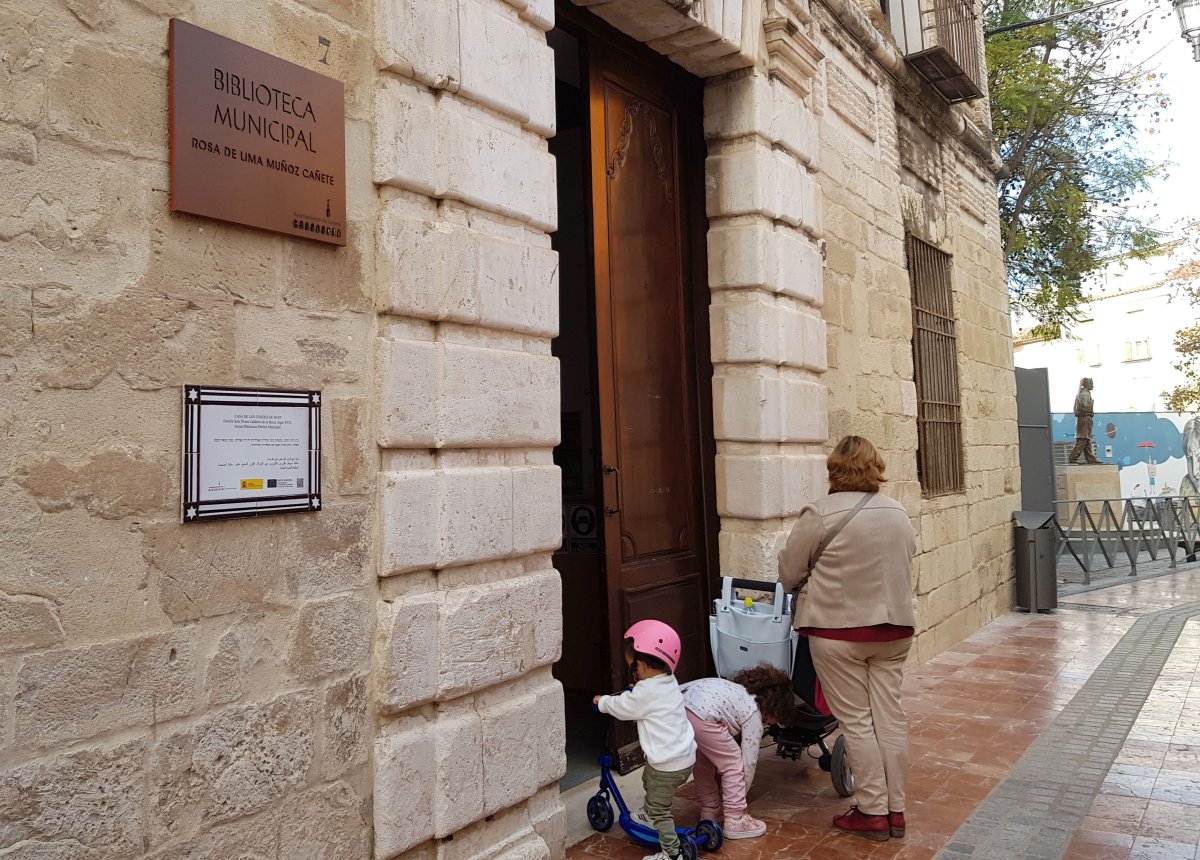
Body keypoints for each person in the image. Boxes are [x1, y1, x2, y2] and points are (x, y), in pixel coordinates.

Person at [777, 435, 917, 842]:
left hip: (838, 633)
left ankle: (872, 812)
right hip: (894, 631)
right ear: (878, 466)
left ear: (833, 469)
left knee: (857, 722)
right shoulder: (898, 513)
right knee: (890, 718)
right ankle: (896, 810)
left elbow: (789, 572)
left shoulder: (819, 514)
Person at [594, 620, 696, 860]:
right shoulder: (668, 682)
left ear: (643, 666)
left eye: (634, 669)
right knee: (648, 779)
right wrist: (637, 691)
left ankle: (671, 854)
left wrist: (603, 702)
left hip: (667, 765)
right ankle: (649, 814)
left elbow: (624, 707)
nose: (634, 674)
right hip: (683, 759)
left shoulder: (645, 692)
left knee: (661, 809)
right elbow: (645, 699)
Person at [679, 664, 794, 839]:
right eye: (774, 720)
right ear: (773, 709)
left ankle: (710, 810)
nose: (771, 724)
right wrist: (737, 799)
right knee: (733, 764)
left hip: (681, 710)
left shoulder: (736, 690)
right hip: (705, 716)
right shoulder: (753, 712)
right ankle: (735, 819)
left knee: (702, 763)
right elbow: (748, 762)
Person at [1068, 377, 1101, 464]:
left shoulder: (1083, 393)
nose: (1093, 385)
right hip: (1085, 419)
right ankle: (1073, 458)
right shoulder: (1085, 394)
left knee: (1086, 440)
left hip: (1084, 419)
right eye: (1091, 383)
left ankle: (1091, 458)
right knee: (1082, 439)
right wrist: (1091, 411)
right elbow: (1085, 407)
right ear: (1087, 384)